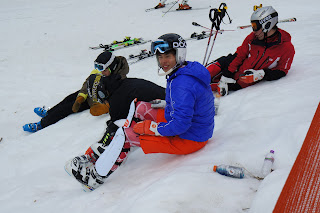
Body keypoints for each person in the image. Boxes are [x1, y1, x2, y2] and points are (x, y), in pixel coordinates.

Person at [66, 33, 215, 191]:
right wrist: (167, 103)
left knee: (126, 135)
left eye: (168, 56)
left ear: (179, 54)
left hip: (189, 138)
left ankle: (95, 178)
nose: (163, 61)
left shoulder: (181, 83)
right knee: (140, 107)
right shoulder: (185, 70)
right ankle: (108, 150)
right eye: (160, 57)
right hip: (191, 126)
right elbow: (188, 102)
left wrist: (152, 129)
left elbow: (181, 125)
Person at [22, 51, 129, 133]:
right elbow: (88, 81)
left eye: (104, 70)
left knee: (67, 108)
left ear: (112, 67)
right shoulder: (103, 70)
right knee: (69, 99)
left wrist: (103, 106)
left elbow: (116, 100)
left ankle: (41, 124)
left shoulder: (119, 80)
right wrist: (82, 95)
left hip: (95, 99)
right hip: (90, 90)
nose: (101, 72)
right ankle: (49, 113)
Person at [206, 6, 295, 96]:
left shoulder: (286, 47)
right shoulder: (252, 38)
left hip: (240, 82)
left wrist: (262, 74)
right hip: (228, 65)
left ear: (267, 25)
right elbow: (239, 55)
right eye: (252, 26)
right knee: (200, 74)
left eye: (255, 26)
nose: (253, 30)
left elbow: (282, 70)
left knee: (203, 87)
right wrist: (227, 74)